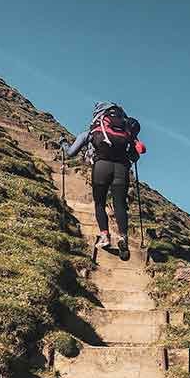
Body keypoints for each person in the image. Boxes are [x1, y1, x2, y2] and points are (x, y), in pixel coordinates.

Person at [60, 101, 145, 261]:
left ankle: (105, 236)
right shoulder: (126, 132)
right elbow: (134, 156)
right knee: (120, 204)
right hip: (121, 169)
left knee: (100, 203)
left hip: (101, 167)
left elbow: (71, 152)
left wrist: (63, 143)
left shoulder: (94, 130)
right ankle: (123, 237)